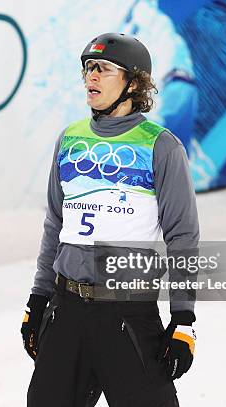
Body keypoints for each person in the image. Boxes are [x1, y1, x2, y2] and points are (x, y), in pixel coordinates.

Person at [21, 33, 200, 407]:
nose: (91, 77)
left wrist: (183, 318)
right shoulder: (70, 139)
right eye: (88, 68)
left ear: (134, 83)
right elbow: (55, 225)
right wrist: (38, 300)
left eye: (103, 69)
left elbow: (182, 236)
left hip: (128, 314)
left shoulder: (161, 146)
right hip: (66, 311)